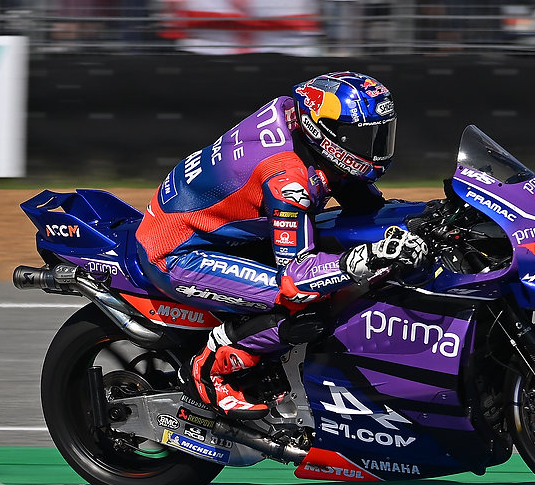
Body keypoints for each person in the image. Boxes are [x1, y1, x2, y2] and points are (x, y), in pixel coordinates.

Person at [135, 71, 422, 416]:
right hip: (178, 252)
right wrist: (364, 259)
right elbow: (296, 281)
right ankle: (210, 369)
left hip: (213, 228)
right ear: (323, 131)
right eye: (362, 137)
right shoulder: (288, 180)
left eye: (381, 135)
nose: (375, 149)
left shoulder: (295, 116)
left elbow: (366, 206)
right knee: (309, 305)